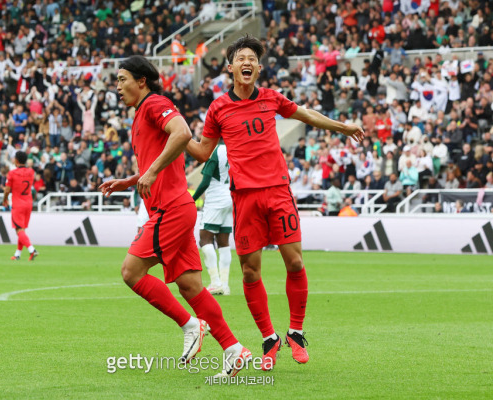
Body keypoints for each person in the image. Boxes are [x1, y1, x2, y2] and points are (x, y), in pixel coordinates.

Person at [186, 35, 364, 371]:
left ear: (258, 67)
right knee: (250, 271)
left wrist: (343, 127)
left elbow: (307, 115)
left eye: (252, 57)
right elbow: (201, 152)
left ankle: (296, 332)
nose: (247, 62)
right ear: (230, 67)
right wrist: (176, 133)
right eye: (241, 58)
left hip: (278, 191)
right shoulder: (219, 108)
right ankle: (269, 338)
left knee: (294, 262)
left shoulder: (271, 99)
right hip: (244, 197)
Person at [99, 55, 250, 377]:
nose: (118, 86)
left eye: (122, 78)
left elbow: (181, 133)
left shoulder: (154, 103)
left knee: (131, 272)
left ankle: (190, 325)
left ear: (141, 80)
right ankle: (234, 350)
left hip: (170, 209)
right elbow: (171, 153)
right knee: (191, 286)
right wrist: (132, 179)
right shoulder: (141, 114)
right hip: (175, 207)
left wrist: (151, 172)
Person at [191, 141, 233, 296]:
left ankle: (215, 282)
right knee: (223, 242)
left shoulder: (215, 152)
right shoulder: (232, 149)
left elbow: (205, 181)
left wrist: (192, 199)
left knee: (205, 239)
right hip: (230, 196)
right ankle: (225, 285)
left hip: (216, 198)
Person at [3, 151, 38, 261]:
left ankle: (32, 250)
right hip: (28, 203)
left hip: (18, 203)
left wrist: (5, 200)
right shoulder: (31, 172)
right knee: (22, 230)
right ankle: (17, 254)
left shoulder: (12, 173)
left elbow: (7, 189)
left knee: (18, 229)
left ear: (16, 160)